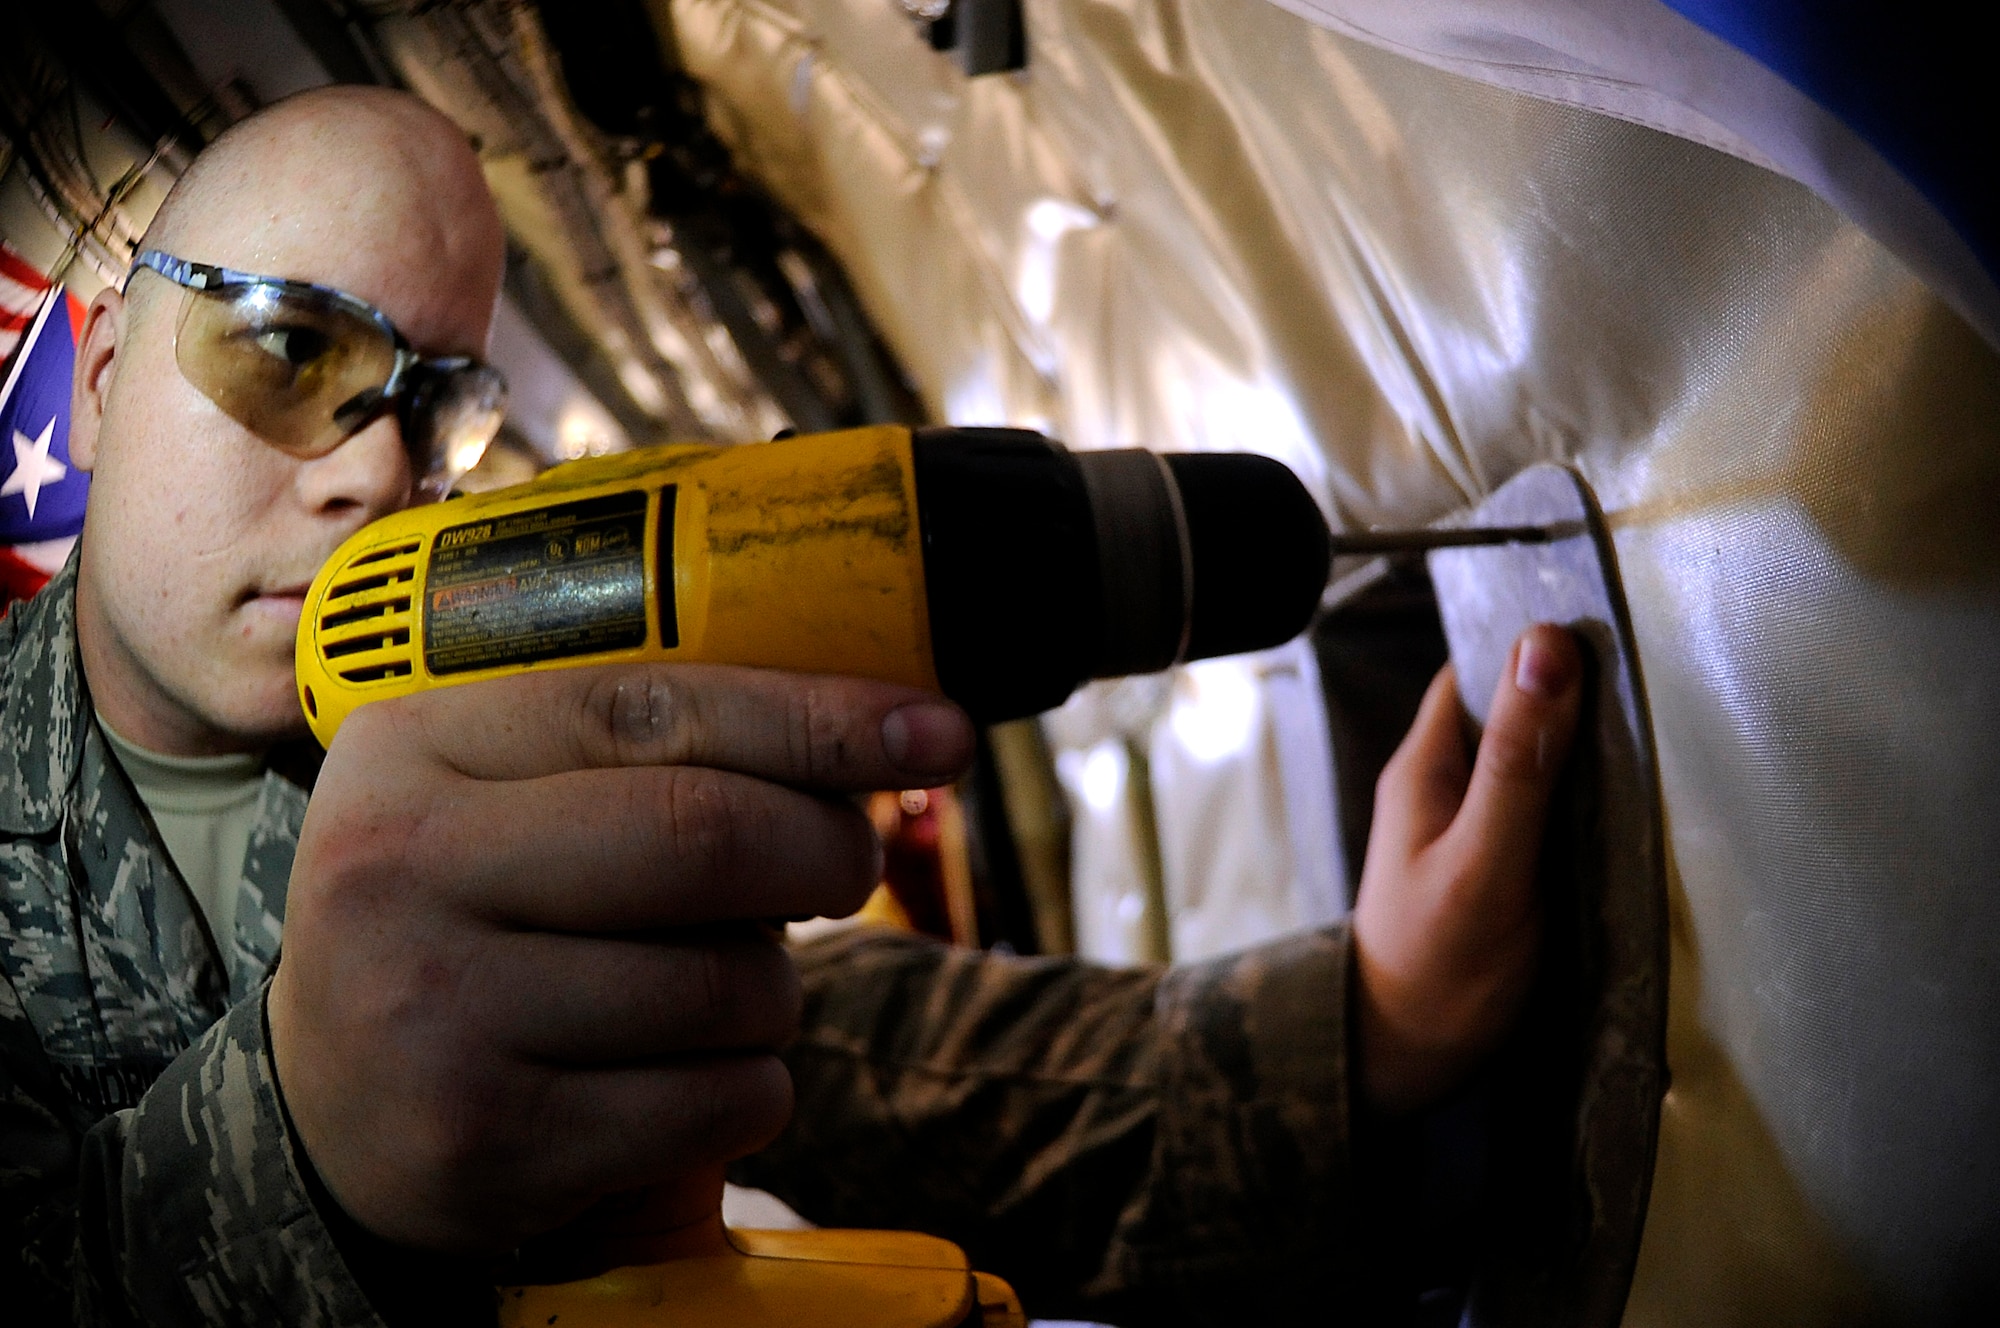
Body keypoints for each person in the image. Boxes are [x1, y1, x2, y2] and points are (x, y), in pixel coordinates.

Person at [0, 86, 1581, 1326]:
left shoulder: (443, 709)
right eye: (286, 345)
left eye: (440, 401)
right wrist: (304, 1161)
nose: (371, 470)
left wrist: (1362, 1030)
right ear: (106, 365)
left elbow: (863, 1066)